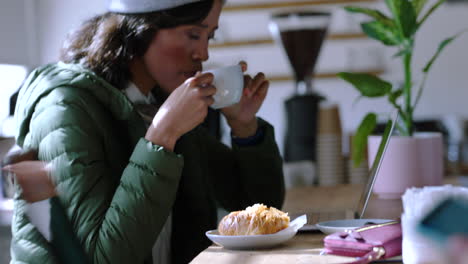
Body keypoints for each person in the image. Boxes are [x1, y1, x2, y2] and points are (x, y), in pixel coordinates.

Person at [9, 0, 285, 263]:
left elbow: (259, 211)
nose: (204, 53)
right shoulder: (65, 108)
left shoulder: (153, 103)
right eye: (193, 34)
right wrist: (162, 136)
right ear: (142, 28)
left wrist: (244, 127)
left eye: (209, 37)